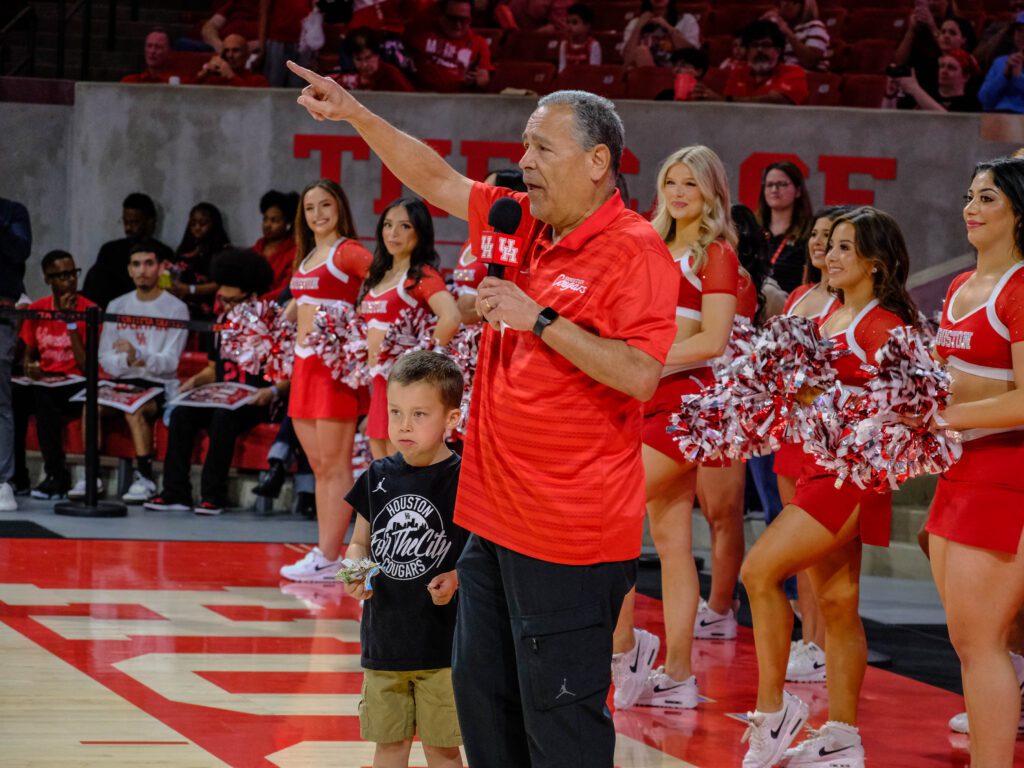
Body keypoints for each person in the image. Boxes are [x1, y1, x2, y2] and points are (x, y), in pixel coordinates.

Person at [287, 61, 680, 764]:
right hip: (491, 520)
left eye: (541, 149)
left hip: (568, 535)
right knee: (485, 713)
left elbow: (641, 375)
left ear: (598, 162)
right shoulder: (520, 219)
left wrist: (541, 319)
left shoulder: (636, 250)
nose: (522, 161)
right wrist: (355, 114)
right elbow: (435, 179)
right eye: (525, 145)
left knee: (558, 724)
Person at [740, 207, 919, 768]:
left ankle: (774, 711)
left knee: (759, 571)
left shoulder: (884, 327)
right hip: (819, 465)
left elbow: (908, 411)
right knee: (840, 605)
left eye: (847, 248)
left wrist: (823, 402)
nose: (833, 256)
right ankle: (842, 734)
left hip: (851, 477)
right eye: (832, 245)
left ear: (877, 263)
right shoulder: (828, 317)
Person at [611, 145, 738, 710]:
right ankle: (680, 674)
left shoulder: (717, 254)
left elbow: (713, 340)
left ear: (711, 191)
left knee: (612, 513)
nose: (679, 192)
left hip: (684, 402)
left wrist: (649, 361)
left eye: (691, 183)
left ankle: (624, 643)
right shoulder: (646, 242)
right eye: (671, 181)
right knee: (672, 543)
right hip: (635, 395)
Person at [926, 156, 1024, 768]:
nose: (971, 207)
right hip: (957, 471)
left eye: (987, 198)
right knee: (969, 643)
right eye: (969, 196)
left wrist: (946, 417)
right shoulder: (961, 287)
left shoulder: (1021, 287)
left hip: (1004, 475)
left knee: (981, 642)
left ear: (1018, 210)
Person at [341, 350, 467, 768]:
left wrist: (456, 578)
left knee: (444, 751)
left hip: (444, 649)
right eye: (395, 412)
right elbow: (359, 543)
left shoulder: (465, 479)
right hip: (384, 641)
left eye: (418, 414)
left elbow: (482, 559)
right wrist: (356, 570)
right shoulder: (377, 475)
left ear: (451, 419)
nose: (403, 425)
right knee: (389, 747)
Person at [278, 179, 373, 582]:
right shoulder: (309, 255)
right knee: (320, 467)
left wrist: (362, 330)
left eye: (326, 205)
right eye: (311, 207)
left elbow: (386, 282)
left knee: (335, 467)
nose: (318, 214)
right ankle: (327, 552)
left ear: (340, 207)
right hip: (303, 369)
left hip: (333, 371)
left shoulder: (347, 251)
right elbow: (302, 302)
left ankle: (330, 554)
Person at [145, 248, 283, 515]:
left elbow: (286, 374)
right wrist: (194, 382)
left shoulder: (274, 324)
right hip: (224, 393)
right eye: (223, 300)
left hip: (257, 398)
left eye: (233, 301)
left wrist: (271, 391)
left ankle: (213, 495)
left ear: (252, 296)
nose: (227, 307)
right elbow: (213, 369)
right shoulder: (220, 323)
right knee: (183, 414)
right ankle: (176, 492)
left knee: (223, 418)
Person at [771, 206, 847, 685]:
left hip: (826, 437)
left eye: (834, 239)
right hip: (790, 431)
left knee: (820, 552)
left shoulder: (850, 305)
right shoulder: (798, 295)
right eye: (817, 236)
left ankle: (821, 644)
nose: (821, 245)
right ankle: (808, 639)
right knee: (797, 551)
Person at [691, 203, 768, 644]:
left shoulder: (741, 278)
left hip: (725, 402)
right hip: (690, 395)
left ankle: (721, 605)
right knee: (697, 509)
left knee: (723, 512)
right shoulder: (692, 264)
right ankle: (717, 600)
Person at [357, 198, 460, 459]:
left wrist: (419, 365)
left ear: (420, 232)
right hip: (377, 386)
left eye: (404, 226)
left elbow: (451, 317)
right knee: (380, 470)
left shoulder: (422, 276)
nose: (393, 233)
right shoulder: (378, 275)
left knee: (402, 468)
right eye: (388, 225)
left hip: (404, 389)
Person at [90, 241, 188, 503]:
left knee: (136, 409)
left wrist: (139, 356)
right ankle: (92, 474)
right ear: (129, 270)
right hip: (122, 379)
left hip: (157, 384)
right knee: (91, 405)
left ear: (161, 267)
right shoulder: (117, 305)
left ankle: (144, 476)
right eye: (136, 264)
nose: (142, 270)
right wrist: (128, 361)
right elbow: (105, 357)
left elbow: (170, 362)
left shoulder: (176, 308)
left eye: (148, 263)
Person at [19, 251, 96, 500]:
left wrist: (71, 322)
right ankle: (16, 476)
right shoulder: (37, 309)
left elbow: (88, 367)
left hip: (78, 382)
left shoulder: (91, 310)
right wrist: (30, 364)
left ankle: (57, 476)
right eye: (62, 275)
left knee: (45, 397)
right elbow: (28, 354)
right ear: (47, 279)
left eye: (73, 273)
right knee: (11, 395)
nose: (70, 280)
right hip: (46, 380)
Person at [453, 169, 527, 326]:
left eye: (489, 191)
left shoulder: (513, 248)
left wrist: (478, 313)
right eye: (482, 189)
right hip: (459, 336)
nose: (482, 197)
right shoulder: (470, 241)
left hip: (487, 331)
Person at [82, 193, 174, 310]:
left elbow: (165, 293)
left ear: (150, 222)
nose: (128, 228)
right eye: (125, 222)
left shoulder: (163, 253)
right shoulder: (110, 251)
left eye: (134, 222)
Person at [693, 20, 809, 106]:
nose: (759, 50)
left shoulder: (793, 72)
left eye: (766, 45)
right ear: (747, 51)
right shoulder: (739, 72)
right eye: (754, 45)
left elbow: (777, 101)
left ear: (778, 50)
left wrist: (724, 100)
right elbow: (729, 108)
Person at [0, 197, 30, 512]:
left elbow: (20, 251)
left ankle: (1, 481)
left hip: (1, 311)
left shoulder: (12, 212)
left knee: (0, 399)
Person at [404, 0, 493, 92]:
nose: (458, 25)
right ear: (441, 15)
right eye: (452, 19)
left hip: (457, 98)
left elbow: (484, 78)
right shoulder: (418, 29)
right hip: (418, 94)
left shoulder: (479, 43)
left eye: (464, 20)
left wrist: (480, 79)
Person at [893, 0, 973, 100]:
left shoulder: (960, 24)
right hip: (916, 82)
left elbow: (956, 56)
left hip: (945, 83)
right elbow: (899, 61)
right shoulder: (918, 24)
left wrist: (932, 27)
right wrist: (911, 30)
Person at [757, 161, 813, 294]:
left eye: (782, 184)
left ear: (798, 191)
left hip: (789, 306)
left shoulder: (809, 234)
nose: (774, 190)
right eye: (769, 185)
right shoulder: (754, 230)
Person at [167, 202, 231, 319]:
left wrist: (190, 289)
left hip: (207, 311)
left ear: (214, 224)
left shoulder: (223, 251)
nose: (197, 227)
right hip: (178, 309)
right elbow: (171, 275)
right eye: (193, 224)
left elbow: (222, 284)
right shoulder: (184, 249)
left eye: (203, 224)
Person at [886, 49, 981, 112]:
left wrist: (915, 90)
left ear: (966, 76)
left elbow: (951, 124)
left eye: (951, 68)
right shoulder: (927, 93)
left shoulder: (970, 103)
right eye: (942, 66)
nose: (944, 70)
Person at [622, 0, 699, 69]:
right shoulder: (635, 23)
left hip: (675, 73)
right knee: (641, 52)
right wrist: (638, 28)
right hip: (645, 76)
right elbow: (627, 61)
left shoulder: (687, 20)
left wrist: (669, 28)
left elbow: (691, 57)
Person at [252, 190, 300, 301]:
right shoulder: (255, 249)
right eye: (265, 219)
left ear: (287, 223)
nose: (268, 225)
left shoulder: (295, 252)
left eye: (274, 220)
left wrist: (260, 301)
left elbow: (287, 288)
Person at [762, 0, 830, 71]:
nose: (785, 4)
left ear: (804, 5)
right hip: (783, 76)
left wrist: (788, 33)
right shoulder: (780, 29)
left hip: (808, 77)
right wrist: (763, 24)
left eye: (792, 1)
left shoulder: (815, 26)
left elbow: (810, 61)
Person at [257, 0, 312, 87]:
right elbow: (264, 12)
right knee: (274, 84)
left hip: (304, 42)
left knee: (298, 87)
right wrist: (261, 46)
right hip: (278, 41)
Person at [336, 32, 415, 92]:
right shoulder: (346, 77)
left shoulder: (393, 76)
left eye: (368, 58)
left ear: (377, 55)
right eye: (358, 59)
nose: (364, 65)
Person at [978, 17, 1024, 114]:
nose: (1022, 35)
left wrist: (1018, 78)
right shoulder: (1000, 62)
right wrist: (1005, 75)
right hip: (999, 117)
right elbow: (984, 99)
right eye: (1019, 30)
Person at [192, 33, 269, 86]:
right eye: (226, 51)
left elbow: (251, 101)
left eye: (235, 50)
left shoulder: (258, 81)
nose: (230, 55)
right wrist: (202, 74)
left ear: (247, 55)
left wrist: (231, 76)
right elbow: (185, 97)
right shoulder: (213, 79)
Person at [558, 3, 601, 73]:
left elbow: (594, 71)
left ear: (587, 26)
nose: (570, 26)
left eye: (574, 22)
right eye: (568, 22)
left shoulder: (593, 45)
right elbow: (561, 70)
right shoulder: (564, 45)